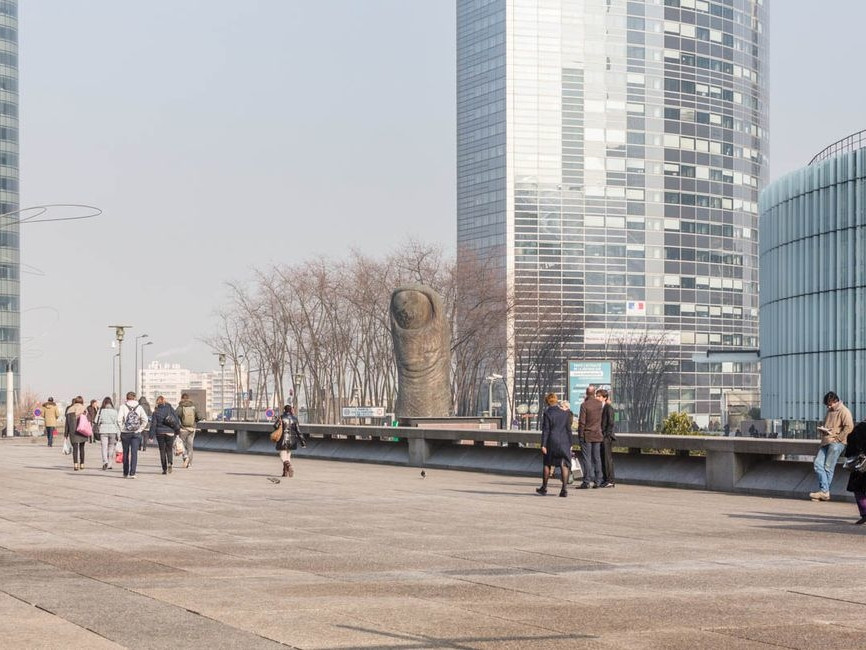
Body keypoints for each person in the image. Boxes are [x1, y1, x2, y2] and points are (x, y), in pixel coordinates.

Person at [810, 390, 854, 501]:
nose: (828, 407)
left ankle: (824, 492)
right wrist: (824, 430)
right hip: (826, 441)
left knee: (828, 467)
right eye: (827, 405)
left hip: (837, 443)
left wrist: (838, 438)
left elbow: (849, 427)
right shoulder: (829, 411)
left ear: (835, 401)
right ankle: (824, 492)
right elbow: (828, 425)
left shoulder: (844, 411)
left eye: (829, 404)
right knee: (817, 464)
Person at [537, 393, 573, 497]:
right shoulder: (565, 413)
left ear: (547, 402)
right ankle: (564, 490)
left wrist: (543, 444)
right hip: (564, 441)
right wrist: (570, 443)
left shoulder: (548, 413)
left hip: (551, 441)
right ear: (556, 401)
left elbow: (546, 430)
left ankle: (544, 488)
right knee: (564, 464)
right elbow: (568, 430)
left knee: (547, 463)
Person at [577, 386, 604, 488]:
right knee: (597, 458)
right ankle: (598, 481)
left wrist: (580, 435)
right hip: (597, 434)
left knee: (587, 459)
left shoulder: (584, 405)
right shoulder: (599, 404)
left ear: (586, 393)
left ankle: (586, 481)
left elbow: (582, 422)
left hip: (587, 435)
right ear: (594, 393)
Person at [117, 392, 148, 479]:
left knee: (125, 453)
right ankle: (132, 473)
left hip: (125, 433)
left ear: (126, 398)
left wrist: (122, 428)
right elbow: (145, 420)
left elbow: (119, 420)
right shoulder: (140, 407)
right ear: (135, 398)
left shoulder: (123, 407)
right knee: (134, 453)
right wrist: (140, 429)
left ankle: (125, 473)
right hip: (136, 433)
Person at [150, 395, 180, 475]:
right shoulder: (170, 409)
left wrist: (151, 436)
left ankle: (164, 469)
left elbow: (153, 424)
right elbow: (176, 419)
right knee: (169, 449)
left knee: (162, 451)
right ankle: (170, 463)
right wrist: (177, 431)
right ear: (165, 401)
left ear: (157, 402)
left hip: (160, 433)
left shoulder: (156, 412)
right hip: (170, 432)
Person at [843, 421, 866, 525]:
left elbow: (850, 445)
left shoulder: (860, 427)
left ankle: (864, 513)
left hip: (860, 464)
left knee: (858, 489)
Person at [273, 404, 305, 477]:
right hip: (292, 441)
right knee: (288, 457)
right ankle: (285, 473)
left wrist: (278, 421)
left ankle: (289, 466)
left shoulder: (281, 417)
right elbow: (298, 431)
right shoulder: (295, 419)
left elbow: (275, 426)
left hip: (283, 440)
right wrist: (303, 442)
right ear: (291, 410)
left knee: (282, 457)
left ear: (284, 410)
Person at [175, 393, 202, 468]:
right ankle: (189, 463)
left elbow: (174, 416)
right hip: (192, 429)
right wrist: (194, 422)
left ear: (181, 398)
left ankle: (185, 457)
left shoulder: (180, 407)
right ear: (189, 398)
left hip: (183, 429)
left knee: (181, 444)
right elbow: (200, 416)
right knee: (190, 446)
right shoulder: (194, 406)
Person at [95, 397, 120, 471]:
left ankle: (104, 462)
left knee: (104, 447)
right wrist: (119, 434)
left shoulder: (101, 411)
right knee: (111, 447)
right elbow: (117, 423)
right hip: (113, 430)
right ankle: (109, 464)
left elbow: (96, 421)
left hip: (103, 430)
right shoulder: (115, 411)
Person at [598, 388, 616, 488]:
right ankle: (605, 479)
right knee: (603, 458)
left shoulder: (608, 408)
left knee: (607, 459)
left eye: (599, 396)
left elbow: (611, 423)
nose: (597, 398)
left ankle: (610, 480)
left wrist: (606, 435)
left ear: (604, 398)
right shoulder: (600, 408)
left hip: (606, 438)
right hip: (601, 437)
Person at [64, 396, 87, 471]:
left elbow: (67, 424)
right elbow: (88, 421)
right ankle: (82, 464)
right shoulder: (84, 409)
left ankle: (75, 465)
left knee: (75, 449)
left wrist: (66, 434)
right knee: (82, 448)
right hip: (82, 430)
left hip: (73, 431)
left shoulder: (69, 409)